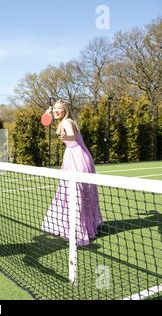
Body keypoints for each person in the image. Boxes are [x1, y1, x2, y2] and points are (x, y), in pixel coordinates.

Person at [41, 99, 102, 246]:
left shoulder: (67, 122)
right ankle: (84, 225)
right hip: (75, 156)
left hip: (78, 159)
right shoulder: (62, 120)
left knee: (75, 193)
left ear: (65, 110)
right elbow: (45, 122)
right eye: (55, 108)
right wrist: (48, 112)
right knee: (73, 193)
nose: (56, 111)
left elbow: (72, 136)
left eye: (59, 109)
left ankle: (79, 230)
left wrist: (66, 137)